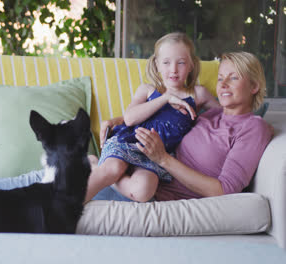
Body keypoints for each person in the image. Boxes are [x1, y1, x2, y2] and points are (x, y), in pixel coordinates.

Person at [0, 51, 273, 204]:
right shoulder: (208, 114)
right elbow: (164, 116)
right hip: (138, 168)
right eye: (220, 78)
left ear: (254, 86)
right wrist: (119, 120)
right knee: (32, 181)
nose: (222, 85)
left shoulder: (253, 129)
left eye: (233, 79)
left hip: (151, 187)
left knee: (29, 187)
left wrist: (162, 160)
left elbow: (223, 189)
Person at [84, 32, 219, 203]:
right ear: (157, 64)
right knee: (113, 169)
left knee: (143, 192)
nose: (173, 69)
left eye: (181, 63)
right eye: (166, 62)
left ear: (192, 64)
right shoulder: (148, 90)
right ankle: (66, 207)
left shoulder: (198, 94)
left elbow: (227, 115)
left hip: (155, 155)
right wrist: (166, 98)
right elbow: (130, 118)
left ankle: (94, 165)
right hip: (128, 141)